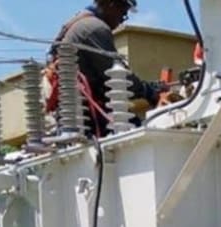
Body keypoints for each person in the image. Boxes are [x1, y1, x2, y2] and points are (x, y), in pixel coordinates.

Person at [45, 0, 167, 136]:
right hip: (86, 115)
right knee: (138, 132)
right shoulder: (95, 28)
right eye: (123, 13)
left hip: (73, 113)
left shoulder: (81, 22)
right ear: (111, 4)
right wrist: (149, 91)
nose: (122, 20)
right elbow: (118, 76)